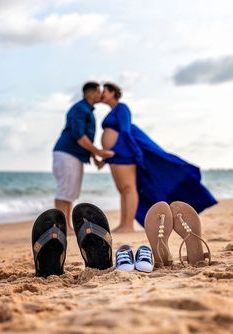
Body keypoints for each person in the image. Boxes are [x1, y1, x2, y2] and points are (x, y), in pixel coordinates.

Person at [99, 82, 217, 233]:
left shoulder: (122, 108)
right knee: (122, 189)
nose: (102, 94)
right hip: (114, 155)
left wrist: (134, 152)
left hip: (124, 153)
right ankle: (123, 224)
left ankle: (128, 225)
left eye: (105, 91)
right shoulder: (113, 110)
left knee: (129, 188)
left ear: (113, 93)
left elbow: (125, 131)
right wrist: (105, 157)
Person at [53, 81, 114, 233]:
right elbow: (79, 136)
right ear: (91, 93)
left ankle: (67, 225)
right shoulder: (80, 108)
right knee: (65, 191)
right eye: (99, 91)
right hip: (67, 153)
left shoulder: (87, 110)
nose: (100, 94)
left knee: (71, 192)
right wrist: (99, 152)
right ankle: (62, 226)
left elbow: (87, 138)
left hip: (74, 155)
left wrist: (95, 158)